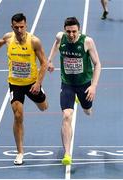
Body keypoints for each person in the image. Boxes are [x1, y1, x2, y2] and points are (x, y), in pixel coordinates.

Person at [0, 13, 48, 165]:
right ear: (12, 27)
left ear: (26, 25)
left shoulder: (34, 41)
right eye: (16, 27)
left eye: (22, 27)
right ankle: (20, 152)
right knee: (17, 115)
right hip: (15, 83)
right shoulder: (9, 38)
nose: (19, 30)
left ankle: (41, 94)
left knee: (44, 107)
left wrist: (38, 83)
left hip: (31, 83)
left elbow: (44, 63)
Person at [48, 17, 101, 165]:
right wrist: (50, 59)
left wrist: (93, 86)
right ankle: (67, 154)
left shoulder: (87, 42)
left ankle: (82, 102)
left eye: (74, 31)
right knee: (66, 115)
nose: (71, 35)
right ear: (65, 30)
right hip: (67, 84)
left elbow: (97, 64)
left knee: (88, 111)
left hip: (84, 84)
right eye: (68, 31)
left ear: (79, 30)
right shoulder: (61, 37)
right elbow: (56, 43)